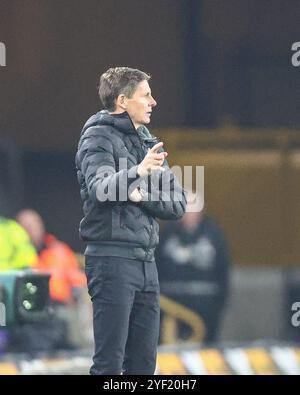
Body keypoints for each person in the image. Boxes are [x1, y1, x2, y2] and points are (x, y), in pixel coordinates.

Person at [75, 67, 186, 375]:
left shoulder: (147, 141)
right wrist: (138, 173)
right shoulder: (97, 136)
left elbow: (177, 204)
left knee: (143, 366)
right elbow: (101, 188)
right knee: (109, 364)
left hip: (147, 264)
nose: (154, 102)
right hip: (112, 260)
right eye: (146, 95)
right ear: (123, 101)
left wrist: (142, 194)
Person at [156, 191, 231, 343]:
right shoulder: (167, 233)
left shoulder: (214, 234)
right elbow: (156, 265)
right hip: (171, 304)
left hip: (205, 304)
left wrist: (220, 302)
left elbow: (223, 271)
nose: (189, 213)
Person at [15, 209, 86, 305]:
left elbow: (78, 282)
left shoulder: (59, 251)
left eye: (34, 226)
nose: (31, 231)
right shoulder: (15, 257)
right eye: (26, 227)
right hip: (30, 308)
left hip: (60, 308)